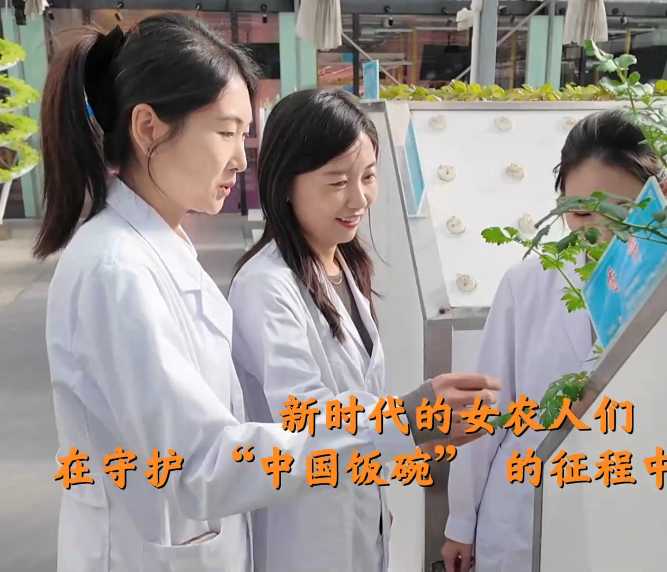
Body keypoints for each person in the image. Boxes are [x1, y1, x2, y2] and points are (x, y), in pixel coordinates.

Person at [36, 15, 500, 572]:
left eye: (244, 134)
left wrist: (398, 426)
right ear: (149, 127)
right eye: (226, 132)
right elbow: (201, 465)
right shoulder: (117, 271)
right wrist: (401, 423)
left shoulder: (160, 250)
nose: (240, 158)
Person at [440, 109, 667, 572]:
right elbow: (489, 408)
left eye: (620, 212)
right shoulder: (528, 284)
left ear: (661, 194)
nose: (597, 230)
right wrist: (461, 521)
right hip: (521, 514)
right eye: (580, 212)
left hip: (628, 507)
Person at [227, 90, 403, 572]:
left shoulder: (345, 265)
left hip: (357, 514)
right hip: (304, 532)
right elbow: (305, 417)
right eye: (337, 182)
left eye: (368, 177)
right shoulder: (266, 286)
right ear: (285, 183)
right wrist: (410, 418)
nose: (359, 199)